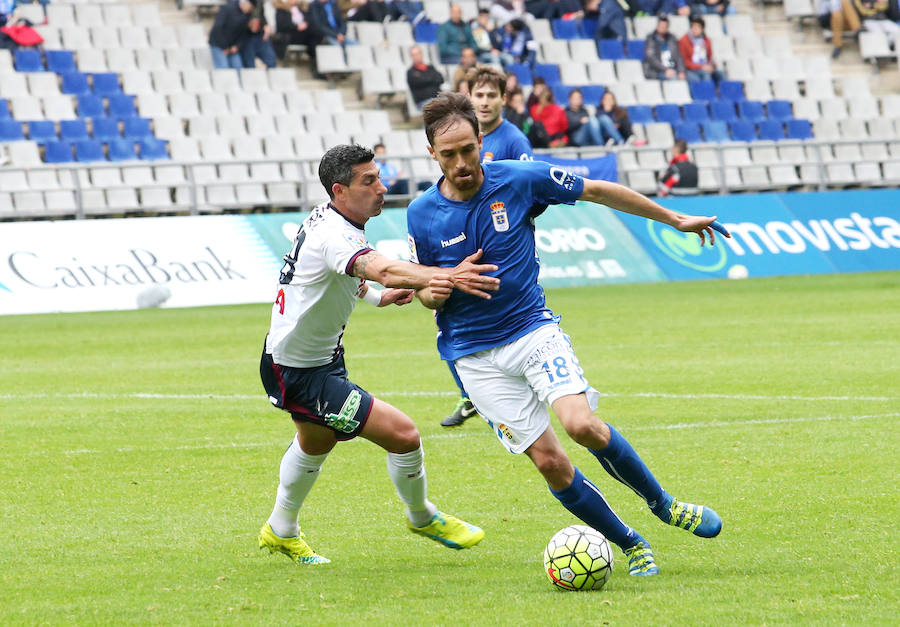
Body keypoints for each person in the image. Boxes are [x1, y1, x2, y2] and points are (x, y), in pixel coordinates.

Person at [407, 92, 726, 576]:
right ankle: (631, 542)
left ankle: (664, 504)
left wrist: (675, 218)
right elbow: (426, 295)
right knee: (551, 462)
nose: (461, 162)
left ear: (481, 142)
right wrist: (447, 282)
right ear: (433, 154)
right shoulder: (421, 214)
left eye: (468, 149)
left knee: (581, 426)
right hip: (473, 357)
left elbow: (597, 190)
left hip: (531, 331)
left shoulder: (518, 179)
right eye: (448, 154)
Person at [257, 144, 500, 564]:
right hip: (299, 370)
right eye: (369, 181)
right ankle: (422, 516)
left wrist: (376, 298)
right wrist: (447, 275)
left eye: (379, 177)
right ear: (340, 190)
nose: (382, 187)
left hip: (312, 357)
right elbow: (380, 267)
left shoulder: (332, 220)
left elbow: (327, 277)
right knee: (404, 436)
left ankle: (280, 530)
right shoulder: (336, 235)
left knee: (315, 442)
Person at [437, 66, 535, 428]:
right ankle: (471, 396)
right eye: (478, 95)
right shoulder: (460, 138)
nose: (485, 101)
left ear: (503, 100)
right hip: (463, 250)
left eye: (491, 95)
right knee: (445, 319)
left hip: (502, 251)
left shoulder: (513, 142)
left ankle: (515, 390)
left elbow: (529, 193)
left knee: (508, 322)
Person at [208, 0, 256, 70]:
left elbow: (244, 33)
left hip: (232, 47)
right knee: (223, 67)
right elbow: (217, 28)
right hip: (218, 44)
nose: (250, 11)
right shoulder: (228, 8)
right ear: (245, 3)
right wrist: (224, 47)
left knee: (238, 67)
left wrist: (237, 46)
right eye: (250, 8)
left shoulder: (247, 15)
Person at [678, 14, 725, 82]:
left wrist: (712, 66)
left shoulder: (706, 40)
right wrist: (701, 67)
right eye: (693, 27)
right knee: (706, 75)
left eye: (697, 27)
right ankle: (707, 92)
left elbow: (710, 57)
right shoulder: (684, 41)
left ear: (702, 29)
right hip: (691, 69)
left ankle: (723, 92)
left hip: (705, 67)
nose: (695, 30)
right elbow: (685, 61)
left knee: (721, 74)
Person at [642, 13, 686, 81]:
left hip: (673, 69)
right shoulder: (651, 39)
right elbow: (651, 59)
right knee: (673, 79)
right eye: (661, 26)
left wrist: (681, 71)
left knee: (690, 78)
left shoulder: (672, 38)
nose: (663, 28)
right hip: (656, 71)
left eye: (665, 26)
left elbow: (678, 56)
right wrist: (666, 70)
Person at [241, 3, 278, 68]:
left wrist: (265, 25)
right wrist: (247, 24)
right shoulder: (239, 4)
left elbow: (261, 15)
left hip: (260, 36)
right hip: (246, 37)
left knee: (271, 61)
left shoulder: (259, 3)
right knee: (249, 65)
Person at [407, 44, 445, 109]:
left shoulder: (430, 67)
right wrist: (432, 78)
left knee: (452, 102)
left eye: (417, 54)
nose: (416, 56)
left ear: (421, 54)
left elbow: (441, 79)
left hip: (439, 98)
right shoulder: (410, 72)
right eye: (413, 55)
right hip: (424, 102)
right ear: (411, 57)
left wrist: (425, 79)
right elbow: (419, 82)